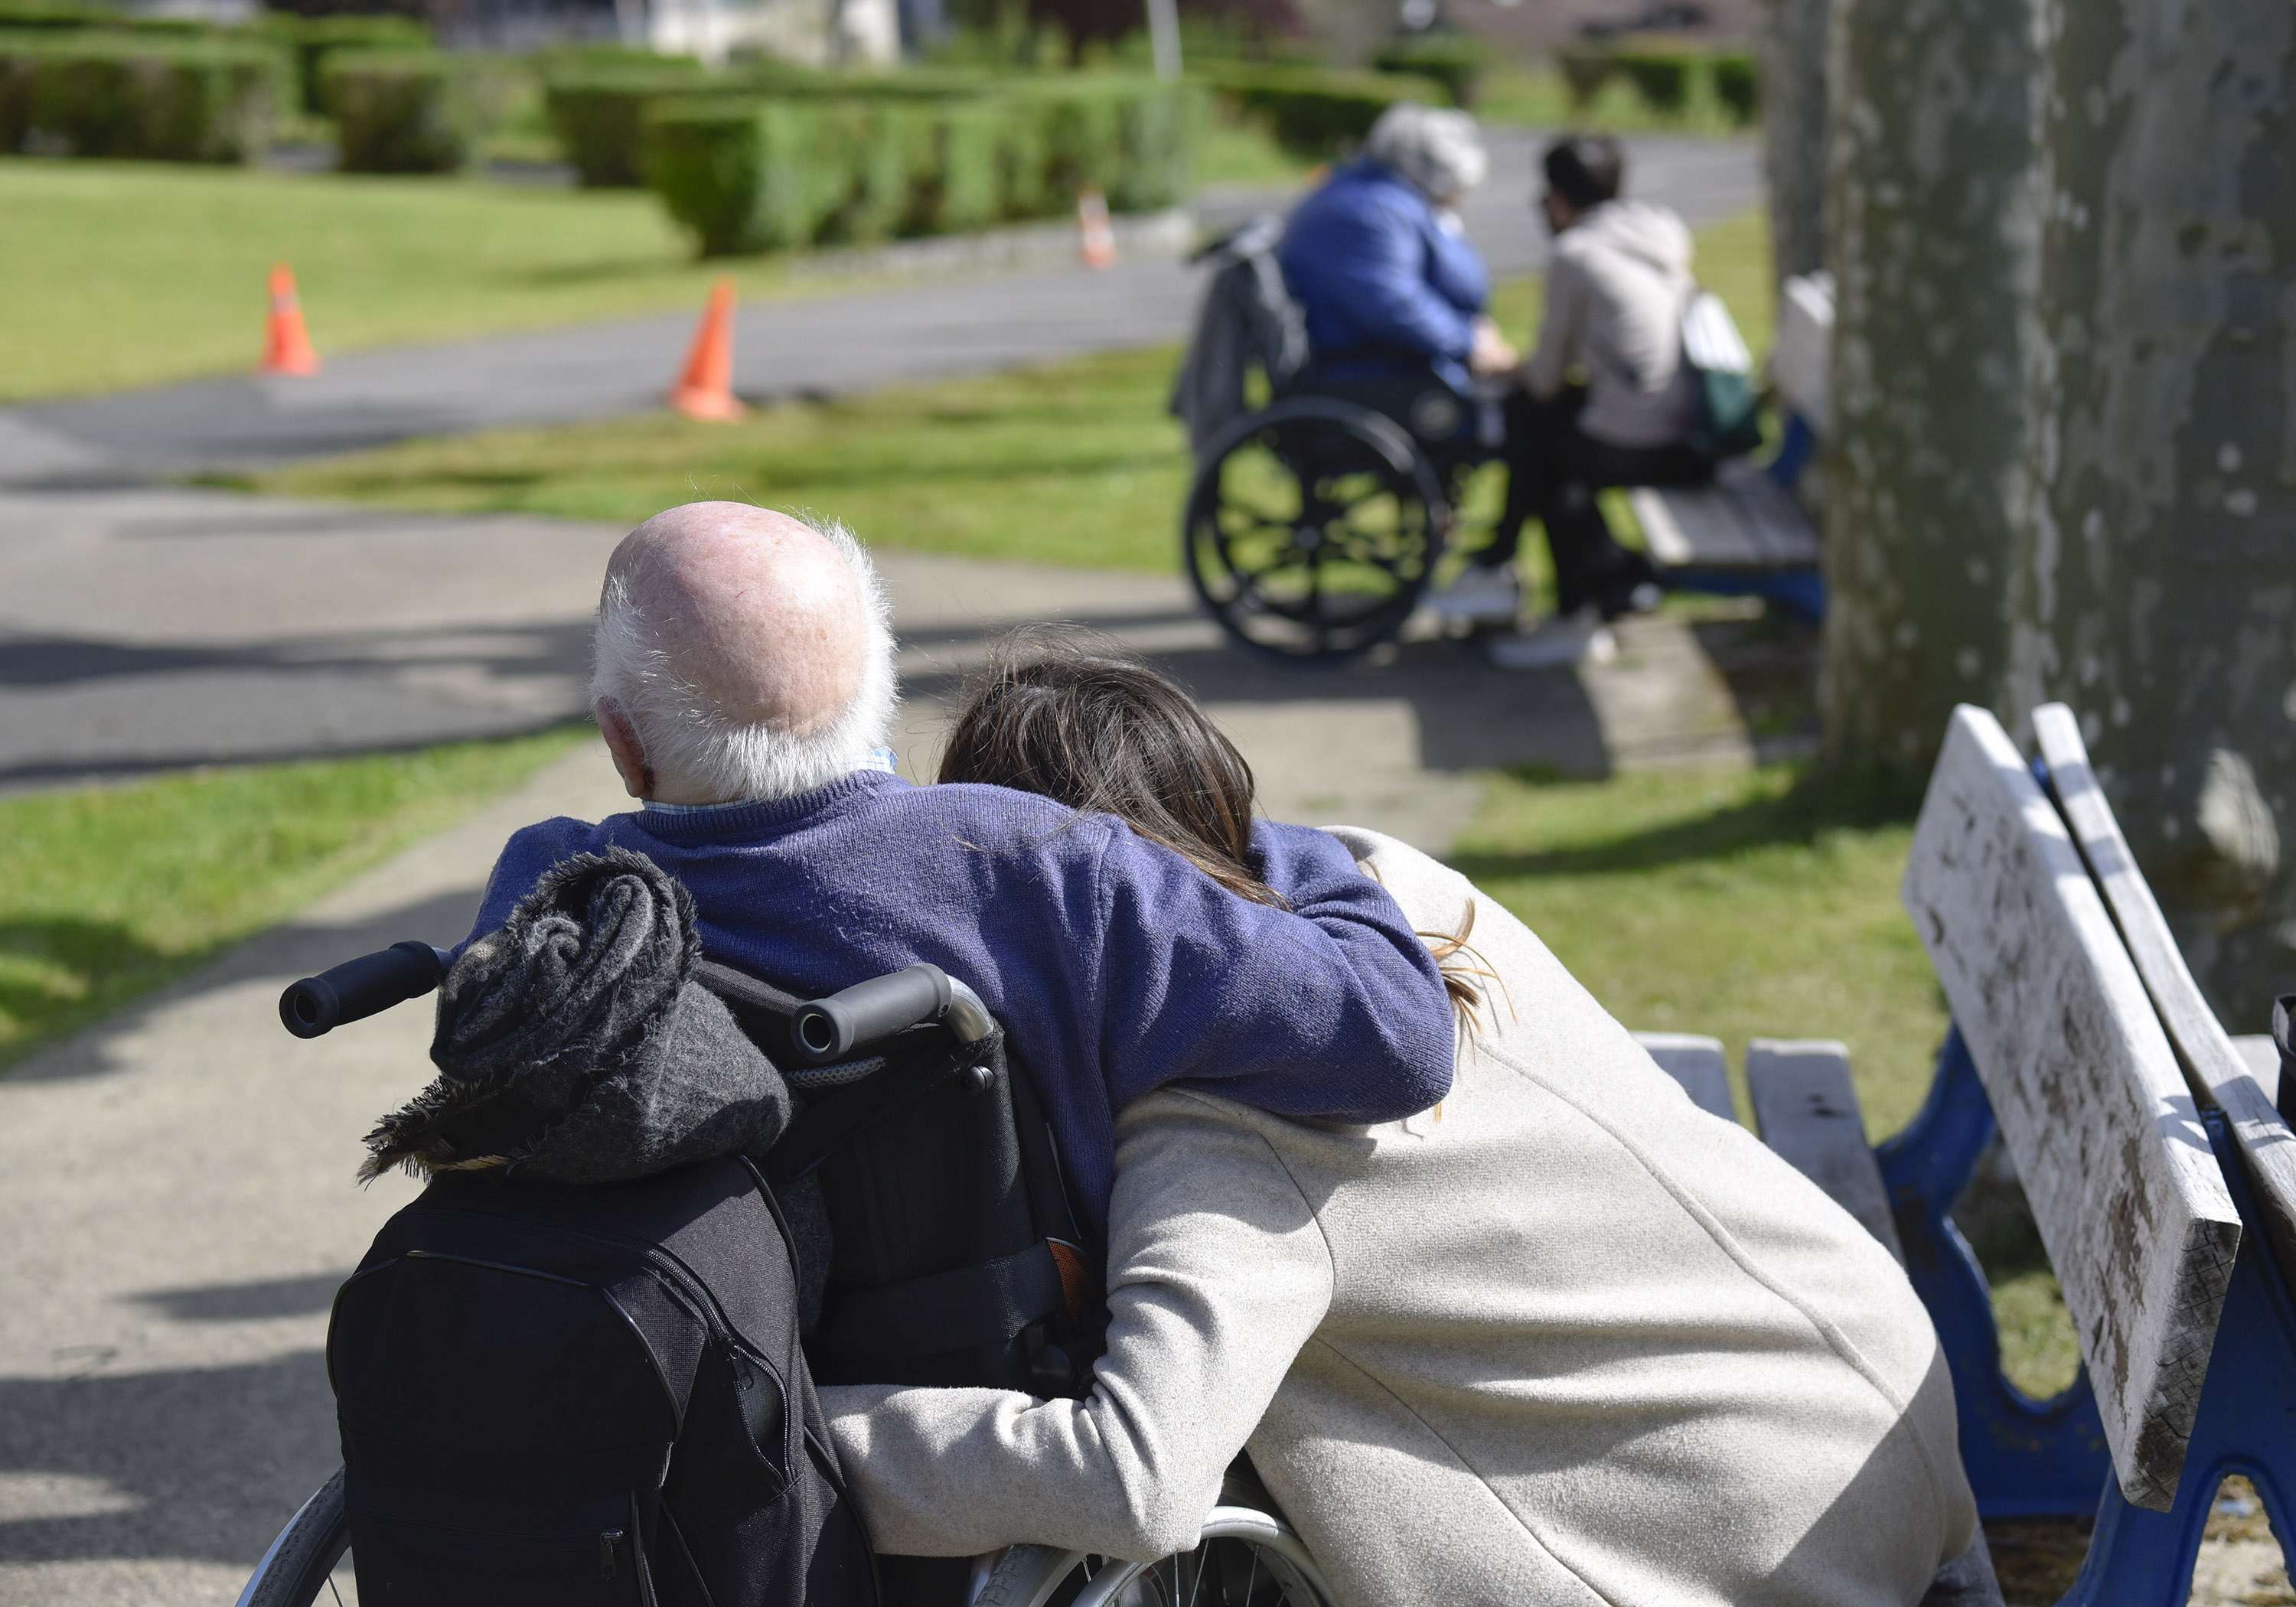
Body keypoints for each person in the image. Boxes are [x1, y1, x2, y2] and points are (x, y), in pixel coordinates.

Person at [821, 634, 1997, 1607]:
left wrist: (797, 1436)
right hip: (1869, 1390)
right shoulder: (1386, 891)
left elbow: (1134, 1479)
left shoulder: (1227, 1132)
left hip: (1763, 1545)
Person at [455, 501, 1457, 1248]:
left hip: (693, 1369)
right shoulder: (1037, 863)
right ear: (881, 690)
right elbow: (1397, 1041)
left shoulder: (555, 895)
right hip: (993, 1371)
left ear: (624, 744)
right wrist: (1252, 839)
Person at [1440, 132, 1711, 670]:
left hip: (1645, 439)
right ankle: (1588, 574)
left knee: (1537, 443)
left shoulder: (1577, 254)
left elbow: (1544, 378)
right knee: (1544, 436)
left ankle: (1560, 599)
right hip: (1690, 425)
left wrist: (1502, 363)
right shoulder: (1657, 231)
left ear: (1559, 198)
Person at [1277, 103, 1519, 443]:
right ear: (1428, 170)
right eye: (1455, 187)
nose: (1458, 199)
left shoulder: (1375, 197)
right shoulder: (1370, 210)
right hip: (1370, 373)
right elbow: (1393, 303)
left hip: (1380, 362)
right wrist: (1468, 342)